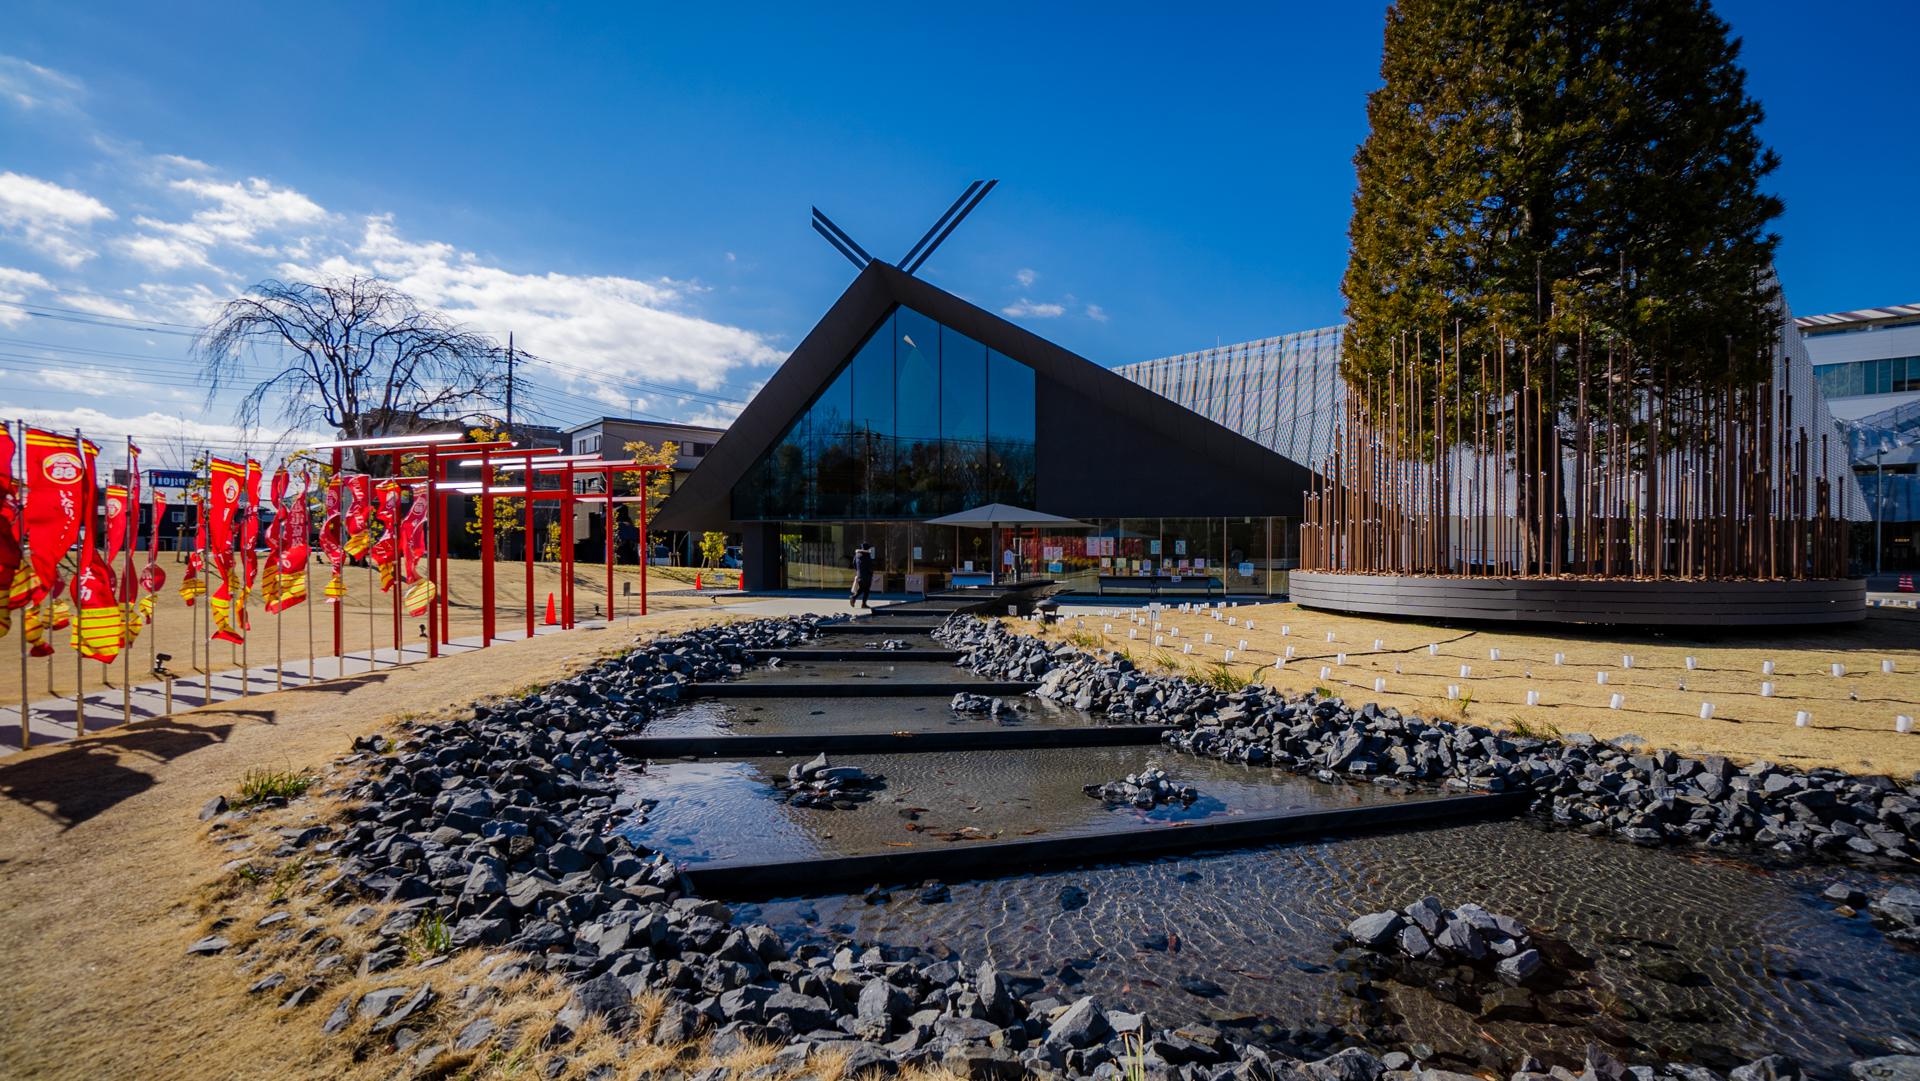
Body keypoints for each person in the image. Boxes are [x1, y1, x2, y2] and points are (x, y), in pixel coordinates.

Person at [850, 543, 875, 608]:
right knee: (866, 590)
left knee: (862, 588)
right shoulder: (867, 555)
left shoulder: (857, 555)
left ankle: (856, 599)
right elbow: (870, 565)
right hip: (867, 575)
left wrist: (858, 571)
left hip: (860, 574)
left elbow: (854, 563)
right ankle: (858, 600)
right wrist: (871, 573)